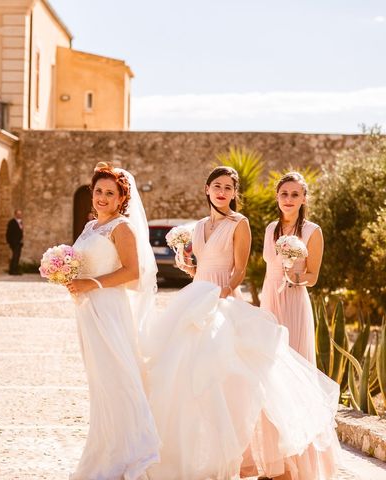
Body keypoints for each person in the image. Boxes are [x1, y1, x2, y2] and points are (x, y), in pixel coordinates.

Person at [142, 166, 340, 480]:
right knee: (199, 375)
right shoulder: (262, 228)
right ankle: (255, 462)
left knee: (281, 378)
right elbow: (203, 269)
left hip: (265, 300)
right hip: (222, 299)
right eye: (216, 186)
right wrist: (186, 264)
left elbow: (244, 272)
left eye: (228, 187)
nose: (222, 192)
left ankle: (295, 467)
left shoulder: (251, 224)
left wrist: (291, 273)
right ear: (206, 189)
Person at [66, 162, 160, 479]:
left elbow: (133, 273)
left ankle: (130, 455)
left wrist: (91, 284)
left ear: (122, 198)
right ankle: (106, 451)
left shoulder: (122, 228)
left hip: (109, 310)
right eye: (98, 191)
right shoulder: (90, 227)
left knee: (118, 380)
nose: (103, 197)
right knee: (100, 386)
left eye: (110, 193)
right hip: (87, 312)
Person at [260, 172, 322, 363]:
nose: (288, 199)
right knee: (268, 358)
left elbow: (312, 277)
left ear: (304, 198)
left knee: (292, 357)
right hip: (269, 297)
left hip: (294, 299)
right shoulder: (270, 228)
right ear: (277, 197)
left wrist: (292, 277)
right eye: (284, 194)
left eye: (295, 194)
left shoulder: (312, 231)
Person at [6, 209, 23, 275]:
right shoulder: (12, 222)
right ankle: (12, 270)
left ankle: (15, 269)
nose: (19, 215)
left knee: (17, 256)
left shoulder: (20, 222)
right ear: (15, 214)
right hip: (14, 242)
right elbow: (8, 233)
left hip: (19, 243)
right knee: (15, 256)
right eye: (18, 214)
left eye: (20, 214)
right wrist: (10, 242)